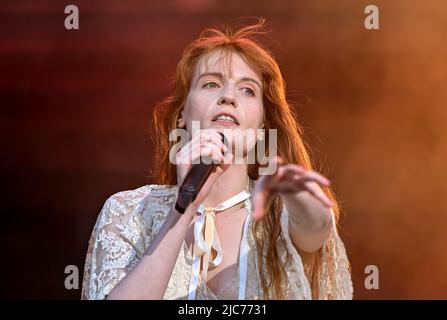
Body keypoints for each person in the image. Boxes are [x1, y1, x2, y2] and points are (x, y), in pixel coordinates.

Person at [81, 18, 353, 300]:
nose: (228, 97)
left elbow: (317, 226)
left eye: (247, 90)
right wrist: (184, 208)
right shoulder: (129, 212)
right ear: (181, 116)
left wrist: (294, 191)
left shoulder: (277, 212)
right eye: (211, 84)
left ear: (262, 127)